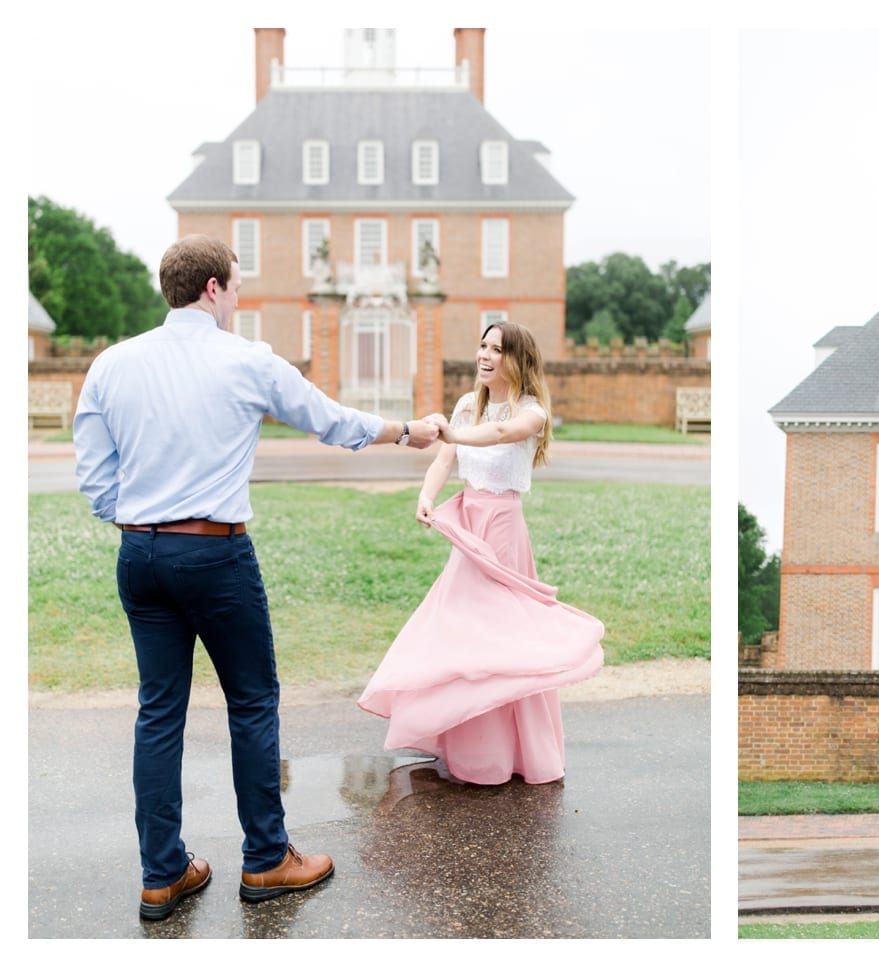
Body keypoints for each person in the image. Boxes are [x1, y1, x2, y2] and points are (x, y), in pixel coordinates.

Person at [73, 234, 445, 921]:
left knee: (159, 710)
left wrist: (135, 520)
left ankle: (162, 874)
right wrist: (406, 430)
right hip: (214, 555)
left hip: (141, 556)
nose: (239, 299)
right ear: (213, 288)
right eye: (237, 287)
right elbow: (329, 421)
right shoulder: (246, 360)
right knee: (250, 700)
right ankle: (267, 859)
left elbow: (94, 475)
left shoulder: (112, 365)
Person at [358, 320, 605, 785]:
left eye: (497, 348)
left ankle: (512, 752)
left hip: (503, 529)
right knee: (459, 627)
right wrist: (426, 496)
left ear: (517, 360)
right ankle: (467, 744)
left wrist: (453, 434)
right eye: (483, 345)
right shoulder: (468, 405)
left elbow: (497, 436)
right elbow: (445, 459)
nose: (485, 355)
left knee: (502, 635)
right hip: (468, 523)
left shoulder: (532, 412)